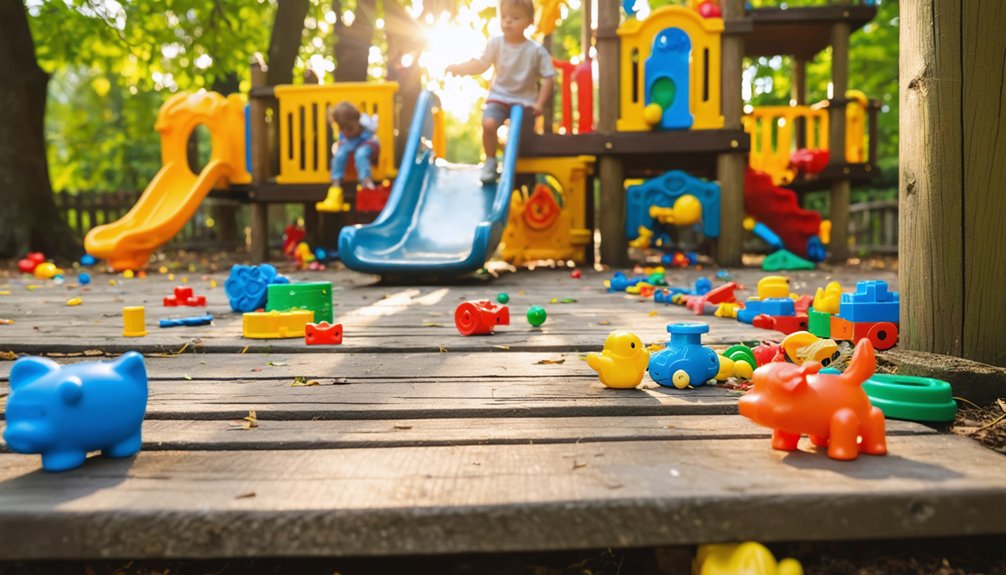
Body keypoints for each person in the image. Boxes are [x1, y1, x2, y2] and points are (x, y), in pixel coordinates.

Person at [446, 0, 555, 183]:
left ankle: (515, 169)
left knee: (520, 138)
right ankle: (490, 162)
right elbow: (481, 64)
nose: (508, 21)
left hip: (525, 101)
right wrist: (461, 68)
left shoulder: (536, 50)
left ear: (529, 22)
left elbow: (549, 77)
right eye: (503, 17)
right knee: (488, 124)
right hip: (500, 96)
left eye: (515, 18)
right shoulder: (496, 44)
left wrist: (539, 104)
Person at [317, 101, 380, 212]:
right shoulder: (344, 131)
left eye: (350, 128)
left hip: (365, 143)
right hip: (350, 145)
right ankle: (335, 188)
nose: (347, 132)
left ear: (357, 120)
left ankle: (366, 182)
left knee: (361, 154)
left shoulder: (365, 123)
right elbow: (341, 143)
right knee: (339, 156)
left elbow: (375, 126)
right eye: (342, 129)